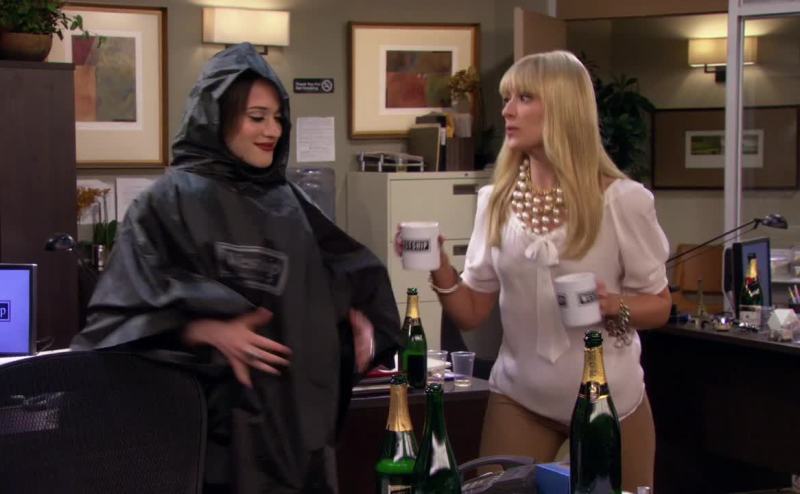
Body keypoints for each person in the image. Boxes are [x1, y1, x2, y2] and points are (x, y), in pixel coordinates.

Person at [72, 43, 402, 493]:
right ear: (218, 116)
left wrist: (352, 318)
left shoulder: (289, 204)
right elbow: (116, 321)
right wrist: (203, 330)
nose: (272, 130)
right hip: (206, 440)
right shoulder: (167, 203)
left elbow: (336, 278)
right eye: (257, 117)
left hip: (290, 436)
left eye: (278, 117)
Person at [409, 51, 671, 490]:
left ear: (564, 108)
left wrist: (612, 304)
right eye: (507, 99)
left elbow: (660, 306)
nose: (508, 111)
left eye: (524, 98)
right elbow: (472, 312)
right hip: (520, 397)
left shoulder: (623, 201)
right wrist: (439, 268)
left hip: (610, 400)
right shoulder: (496, 201)